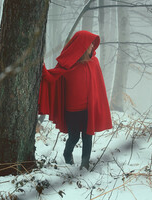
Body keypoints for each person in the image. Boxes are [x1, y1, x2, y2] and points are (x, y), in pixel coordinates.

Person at [38, 30, 112, 170]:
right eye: (90, 45)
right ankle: (67, 154)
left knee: (87, 137)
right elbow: (50, 77)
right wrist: (41, 67)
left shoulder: (94, 63)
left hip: (88, 110)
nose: (92, 47)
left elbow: (97, 88)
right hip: (72, 110)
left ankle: (85, 164)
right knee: (74, 137)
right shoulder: (68, 65)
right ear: (82, 46)